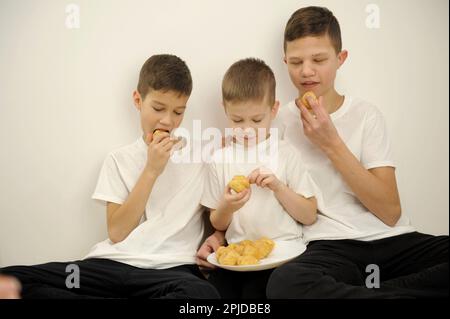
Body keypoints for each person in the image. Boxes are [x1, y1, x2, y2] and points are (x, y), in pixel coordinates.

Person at [197, 6, 448, 299]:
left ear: (340, 59)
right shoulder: (269, 123)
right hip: (327, 248)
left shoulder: (367, 115)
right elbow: (238, 181)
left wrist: (331, 143)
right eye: (296, 61)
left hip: (391, 240)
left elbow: (390, 212)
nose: (306, 71)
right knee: (284, 284)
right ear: (285, 62)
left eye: (318, 59)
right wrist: (218, 235)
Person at [0, 54, 219, 299]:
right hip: (109, 267)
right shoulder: (119, 159)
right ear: (138, 100)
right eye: (158, 108)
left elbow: (218, 219)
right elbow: (117, 232)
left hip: (170, 270)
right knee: (9, 278)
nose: (168, 121)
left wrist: (218, 237)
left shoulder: (200, 158)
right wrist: (151, 170)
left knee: (202, 293)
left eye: (178, 112)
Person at [201, 58, 318, 298]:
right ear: (224, 109)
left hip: (284, 253)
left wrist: (278, 187)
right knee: (211, 295)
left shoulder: (285, 153)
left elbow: (309, 215)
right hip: (237, 254)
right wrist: (227, 205)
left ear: (273, 110)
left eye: (256, 120)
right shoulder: (220, 159)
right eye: (237, 120)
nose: (246, 129)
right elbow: (218, 224)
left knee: (259, 295)